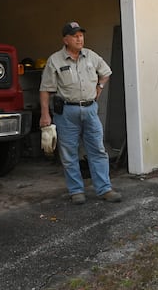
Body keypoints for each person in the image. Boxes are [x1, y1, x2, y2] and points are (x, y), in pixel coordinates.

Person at [39, 21, 122, 205]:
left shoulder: (91, 56)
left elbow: (106, 72)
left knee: (98, 150)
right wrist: (45, 115)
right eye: (75, 35)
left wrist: (99, 87)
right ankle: (76, 191)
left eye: (81, 35)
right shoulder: (55, 60)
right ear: (65, 40)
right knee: (69, 153)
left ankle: (104, 189)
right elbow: (45, 89)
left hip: (90, 110)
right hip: (67, 112)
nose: (79, 38)